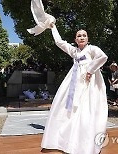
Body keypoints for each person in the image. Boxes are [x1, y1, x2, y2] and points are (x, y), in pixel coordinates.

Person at [40, 23, 108, 153]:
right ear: (75, 40)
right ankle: (67, 138)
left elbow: (103, 57)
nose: (82, 37)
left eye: (84, 35)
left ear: (87, 38)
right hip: (74, 81)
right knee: (68, 108)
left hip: (89, 82)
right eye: (79, 36)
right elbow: (60, 43)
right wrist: (53, 27)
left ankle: (86, 141)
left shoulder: (92, 49)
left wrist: (90, 70)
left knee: (87, 109)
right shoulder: (74, 51)